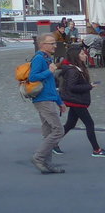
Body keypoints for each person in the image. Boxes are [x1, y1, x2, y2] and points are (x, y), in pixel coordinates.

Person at [54, 43, 104, 157]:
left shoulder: (76, 68)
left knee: (70, 124)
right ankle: (96, 150)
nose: (85, 55)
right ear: (76, 56)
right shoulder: (73, 70)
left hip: (75, 100)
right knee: (89, 124)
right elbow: (72, 87)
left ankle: (53, 143)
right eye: (82, 53)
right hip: (77, 101)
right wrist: (89, 86)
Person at [29, 33, 67, 173]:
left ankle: (47, 164)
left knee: (48, 132)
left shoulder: (47, 58)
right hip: (43, 99)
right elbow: (33, 77)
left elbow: (50, 84)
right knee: (58, 130)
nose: (55, 46)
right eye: (51, 43)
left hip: (48, 98)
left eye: (54, 43)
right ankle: (38, 157)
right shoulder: (39, 58)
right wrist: (49, 71)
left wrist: (59, 101)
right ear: (42, 44)